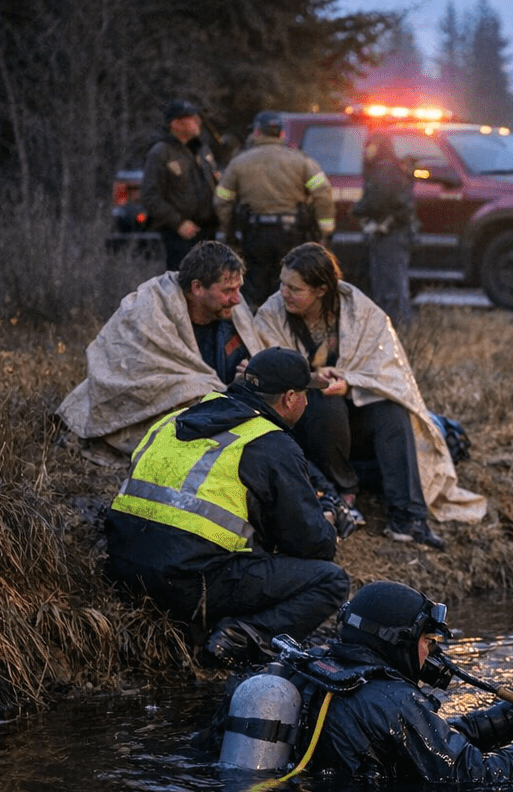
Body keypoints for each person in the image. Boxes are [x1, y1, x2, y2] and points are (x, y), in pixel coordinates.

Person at [104, 347, 350, 667]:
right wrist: (328, 520)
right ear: (290, 398)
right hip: (189, 583)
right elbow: (311, 545)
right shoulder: (272, 443)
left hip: (123, 568)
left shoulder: (173, 419)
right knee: (331, 580)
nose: (307, 402)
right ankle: (239, 637)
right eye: (306, 394)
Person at [254, 242, 486, 545]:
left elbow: (387, 371)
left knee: (391, 409)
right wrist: (311, 379)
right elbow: (267, 371)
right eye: (282, 283)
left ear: (322, 290)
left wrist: (349, 383)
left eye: (295, 289)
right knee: (327, 404)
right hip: (305, 425)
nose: (284, 293)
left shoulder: (357, 309)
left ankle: (408, 516)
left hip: (356, 420)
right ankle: (341, 496)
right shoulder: (272, 313)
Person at [225, 581, 513, 784]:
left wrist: (502, 719)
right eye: (427, 642)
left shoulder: (310, 666)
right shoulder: (392, 698)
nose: (430, 653)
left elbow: (414, 742)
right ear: (397, 641)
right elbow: (476, 775)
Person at [57, 241, 259, 456]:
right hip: (159, 408)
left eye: (238, 289)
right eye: (228, 291)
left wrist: (244, 380)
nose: (237, 299)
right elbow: (133, 380)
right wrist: (210, 392)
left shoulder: (231, 311)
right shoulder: (147, 311)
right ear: (197, 287)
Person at [215, 111, 335, 309]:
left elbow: (222, 201)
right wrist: (325, 231)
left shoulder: (239, 163)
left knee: (254, 288)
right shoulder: (302, 161)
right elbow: (323, 193)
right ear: (281, 134)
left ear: (256, 132)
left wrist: (229, 233)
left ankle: (256, 332)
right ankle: (285, 331)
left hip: (254, 235)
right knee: (289, 285)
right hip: (291, 235)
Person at [141, 99, 221, 272]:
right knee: (182, 284)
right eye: (191, 118)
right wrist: (178, 223)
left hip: (208, 232)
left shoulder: (203, 150)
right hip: (180, 236)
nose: (198, 121)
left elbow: (217, 187)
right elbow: (150, 196)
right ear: (176, 124)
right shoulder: (161, 152)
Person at [352, 131, 416, 329]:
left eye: (369, 146)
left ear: (378, 147)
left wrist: (359, 211)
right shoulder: (391, 169)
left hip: (389, 235)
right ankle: (396, 326)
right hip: (393, 233)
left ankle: (396, 328)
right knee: (391, 282)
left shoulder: (384, 171)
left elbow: (378, 201)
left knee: (390, 285)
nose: (365, 151)